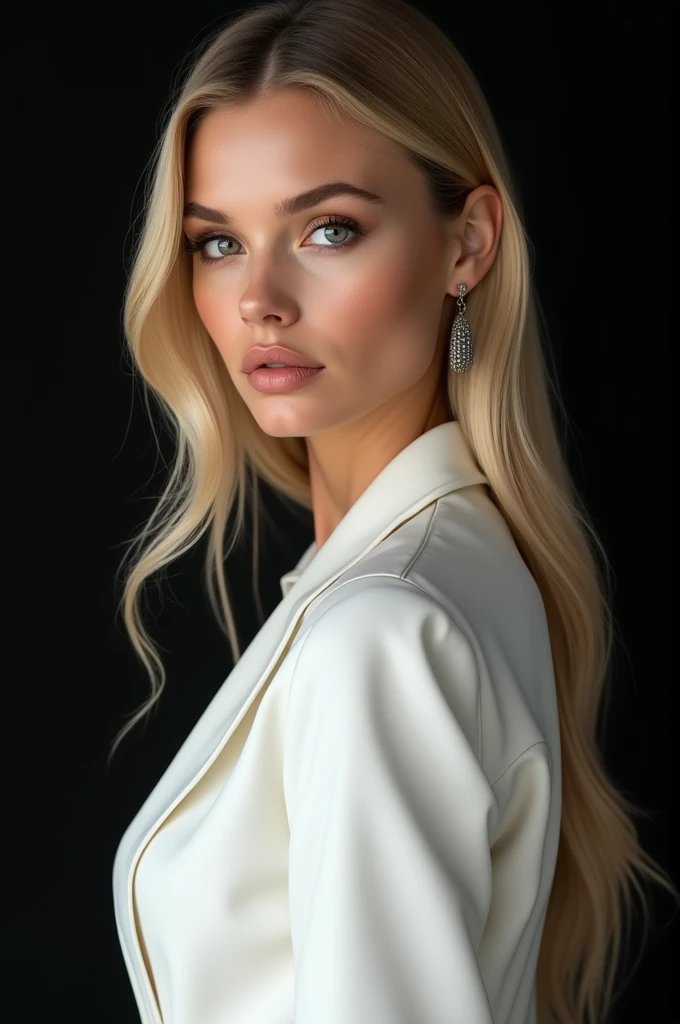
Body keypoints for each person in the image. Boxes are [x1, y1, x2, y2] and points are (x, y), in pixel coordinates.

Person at [110, 1, 677, 1022]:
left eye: (328, 228)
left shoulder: (379, 633)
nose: (259, 301)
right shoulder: (449, 568)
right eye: (217, 242)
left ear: (466, 243)